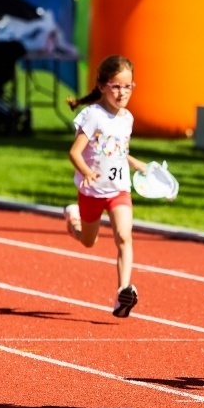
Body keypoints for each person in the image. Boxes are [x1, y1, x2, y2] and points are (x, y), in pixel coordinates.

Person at [63, 55, 148, 318]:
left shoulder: (127, 118)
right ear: (102, 86)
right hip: (91, 191)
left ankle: (123, 292)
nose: (123, 92)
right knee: (88, 241)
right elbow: (74, 153)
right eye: (116, 86)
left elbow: (118, 151)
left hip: (119, 190)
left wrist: (135, 163)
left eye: (128, 86)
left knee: (124, 236)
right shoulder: (93, 116)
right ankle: (73, 218)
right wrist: (87, 172)